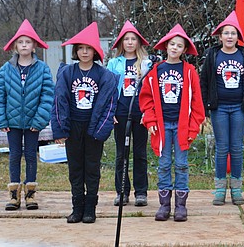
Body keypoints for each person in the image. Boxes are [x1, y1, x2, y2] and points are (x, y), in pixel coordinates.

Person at [52, 22, 118, 224]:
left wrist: (100, 130)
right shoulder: (67, 73)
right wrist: (60, 129)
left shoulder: (103, 75)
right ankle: (77, 207)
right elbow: (58, 101)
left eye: (88, 48)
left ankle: (90, 208)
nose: (84, 52)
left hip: (93, 127)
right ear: (76, 51)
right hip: (73, 128)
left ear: (95, 51)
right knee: (75, 169)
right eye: (80, 48)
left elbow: (109, 103)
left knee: (92, 168)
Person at [140, 24, 205, 222]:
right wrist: (150, 120)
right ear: (166, 46)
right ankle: (164, 205)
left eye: (179, 45)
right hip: (162, 125)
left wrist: (194, 127)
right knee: (164, 164)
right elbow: (146, 99)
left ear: (185, 50)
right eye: (172, 44)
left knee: (182, 164)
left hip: (182, 125)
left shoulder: (189, 71)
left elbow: (197, 103)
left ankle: (181, 206)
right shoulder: (155, 71)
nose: (175, 48)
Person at [0, 19, 54, 211]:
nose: (24, 45)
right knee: (14, 155)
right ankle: (13, 195)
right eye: (21, 42)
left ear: (34, 45)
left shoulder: (42, 69)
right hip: (13, 122)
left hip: (33, 122)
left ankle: (31, 194)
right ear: (15, 46)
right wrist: (0, 118)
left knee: (30, 155)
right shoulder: (6, 69)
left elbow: (47, 95)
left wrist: (40, 120)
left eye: (28, 42)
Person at [199, 11, 244, 206]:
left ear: (238, 37)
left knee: (237, 148)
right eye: (226, 33)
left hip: (239, 108)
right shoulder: (213, 55)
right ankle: (220, 189)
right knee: (222, 148)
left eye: (233, 33)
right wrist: (206, 108)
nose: (230, 36)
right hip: (220, 108)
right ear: (220, 36)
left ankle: (237, 189)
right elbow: (204, 82)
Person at [107, 20, 150, 207]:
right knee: (121, 154)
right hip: (121, 112)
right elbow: (108, 88)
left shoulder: (147, 63)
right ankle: (121, 191)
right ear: (121, 43)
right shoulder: (114, 63)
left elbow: (151, 90)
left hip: (140, 113)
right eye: (126, 39)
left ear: (138, 42)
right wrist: (111, 112)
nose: (130, 42)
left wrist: (148, 112)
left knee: (140, 153)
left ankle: (141, 192)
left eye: (133, 39)